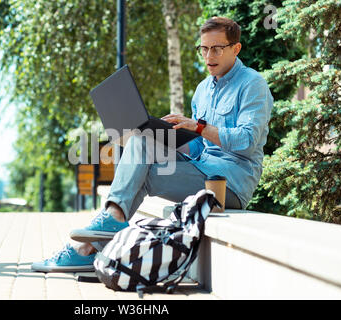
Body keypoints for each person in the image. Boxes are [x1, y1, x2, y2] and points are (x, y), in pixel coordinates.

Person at [31, 16, 274, 272]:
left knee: (141, 173)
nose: (208, 55)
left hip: (229, 183)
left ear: (236, 48)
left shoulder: (252, 84)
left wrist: (198, 127)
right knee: (141, 139)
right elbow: (201, 148)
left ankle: (90, 246)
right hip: (201, 167)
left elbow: (247, 141)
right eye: (203, 48)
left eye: (216, 48)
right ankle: (99, 236)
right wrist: (168, 138)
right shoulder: (203, 89)